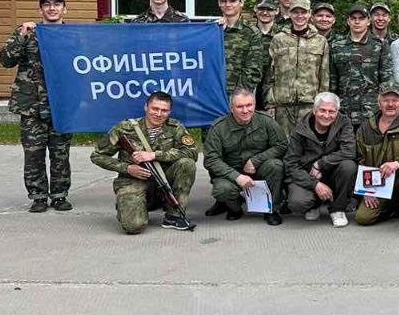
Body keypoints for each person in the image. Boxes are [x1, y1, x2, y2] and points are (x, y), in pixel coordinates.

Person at [0, 0, 73, 213]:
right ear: (40, 9)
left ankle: (60, 195)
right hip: (31, 105)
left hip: (61, 105)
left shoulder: (73, 35)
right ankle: (39, 196)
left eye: (56, 4)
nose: (52, 8)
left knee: (60, 153)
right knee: (34, 153)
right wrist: (21, 36)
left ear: (64, 8)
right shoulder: (27, 33)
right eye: (47, 5)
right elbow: (5, 60)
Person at [90, 90, 198, 233]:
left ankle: (174, 216)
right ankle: (131, 203)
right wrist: (127, 168)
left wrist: (154, 155)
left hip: (163, 178)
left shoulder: (175, 127)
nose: (159, 114)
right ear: (146, 107)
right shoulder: (125, 128)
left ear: (169, 112)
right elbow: (97, 155)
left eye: (164, 110)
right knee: (134, 226)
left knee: (187, 164)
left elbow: (192, 152)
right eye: (155, 108)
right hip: (133, 179)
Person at [202, 88, 288, 225]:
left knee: (276, 166)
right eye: (240, 106)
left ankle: (272, 210)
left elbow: (281, 145)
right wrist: (237, 177)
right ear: (231, 108)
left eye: (249, 105)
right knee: (222, 190)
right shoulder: (218, 127)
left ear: (254, 104)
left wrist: (256, 160)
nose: (245, 110)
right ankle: (234, 208)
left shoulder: (266, 122)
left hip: (259, 169)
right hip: (232, 173)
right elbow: (211, 160)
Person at [354, 82, 399, 228]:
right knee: (363, 218)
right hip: (378, 184)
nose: (390, 104)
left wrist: (398, 163)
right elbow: (358, 160)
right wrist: (365, 190)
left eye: (395, 100)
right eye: (386, 100)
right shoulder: (365, 128)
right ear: (379, 102)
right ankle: (392, 207)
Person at [284, 91, 357, 227]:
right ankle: (314, 204)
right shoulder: (300, 129)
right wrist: (314, 184)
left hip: (334, 172)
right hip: (309, 175)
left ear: (337, 112)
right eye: (322, 110)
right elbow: (291, 164)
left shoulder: (344, 123)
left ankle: (337, 209)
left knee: (349, 166)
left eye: (332, 111)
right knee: (297, 202)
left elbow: (349, 151)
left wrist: (320, 163)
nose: (327, 115)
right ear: (314, 110)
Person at [265, 0, 331, 135]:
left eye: (303, 12)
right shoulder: (278, 39)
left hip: (309, 105)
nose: (300, 16)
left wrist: (322, 105)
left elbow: (324, 76)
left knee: (307, 144)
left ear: (309, 14)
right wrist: (270, 103)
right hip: (282, 106)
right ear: (289, 13)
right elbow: (270, 74)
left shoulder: (320, 41)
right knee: (282, 143)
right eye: (296, 12)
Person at [328, 4, 391, 128]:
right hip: (344, 111)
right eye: (353, 18)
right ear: (348, 21)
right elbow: (332, 80)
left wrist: (386, 108)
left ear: (368, 21)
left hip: (371, 111)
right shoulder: (336, 45)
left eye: (361, 18)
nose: (357, 22)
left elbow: (387, 80)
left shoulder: (380, 45)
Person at [218, 0, 267, 103]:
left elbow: (253, 69)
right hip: (212, 93)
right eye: (224, 1)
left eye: (232, 1)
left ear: (241, 3)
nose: (228, 4)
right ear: (219, 3)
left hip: (238, 97)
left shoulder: (251, 32)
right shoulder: (211, 29)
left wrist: (238, 95)